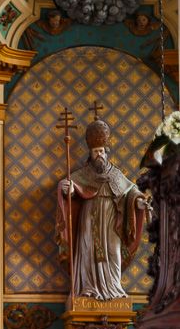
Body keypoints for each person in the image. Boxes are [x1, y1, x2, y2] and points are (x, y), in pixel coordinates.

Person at [56, 118, 149, 300]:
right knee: (88, 250)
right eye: (95, 151)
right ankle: (87, 289)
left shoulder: (115, 173)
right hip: (89, 217)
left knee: (113, 253)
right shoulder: (84, 173)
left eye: (101, 151)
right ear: (90, 153)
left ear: (106, 152)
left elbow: (131, 191)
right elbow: (69, 184)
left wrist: (139, 202)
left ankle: (113, 289)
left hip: (111, 220)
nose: (99, 155)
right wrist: (68, 188)